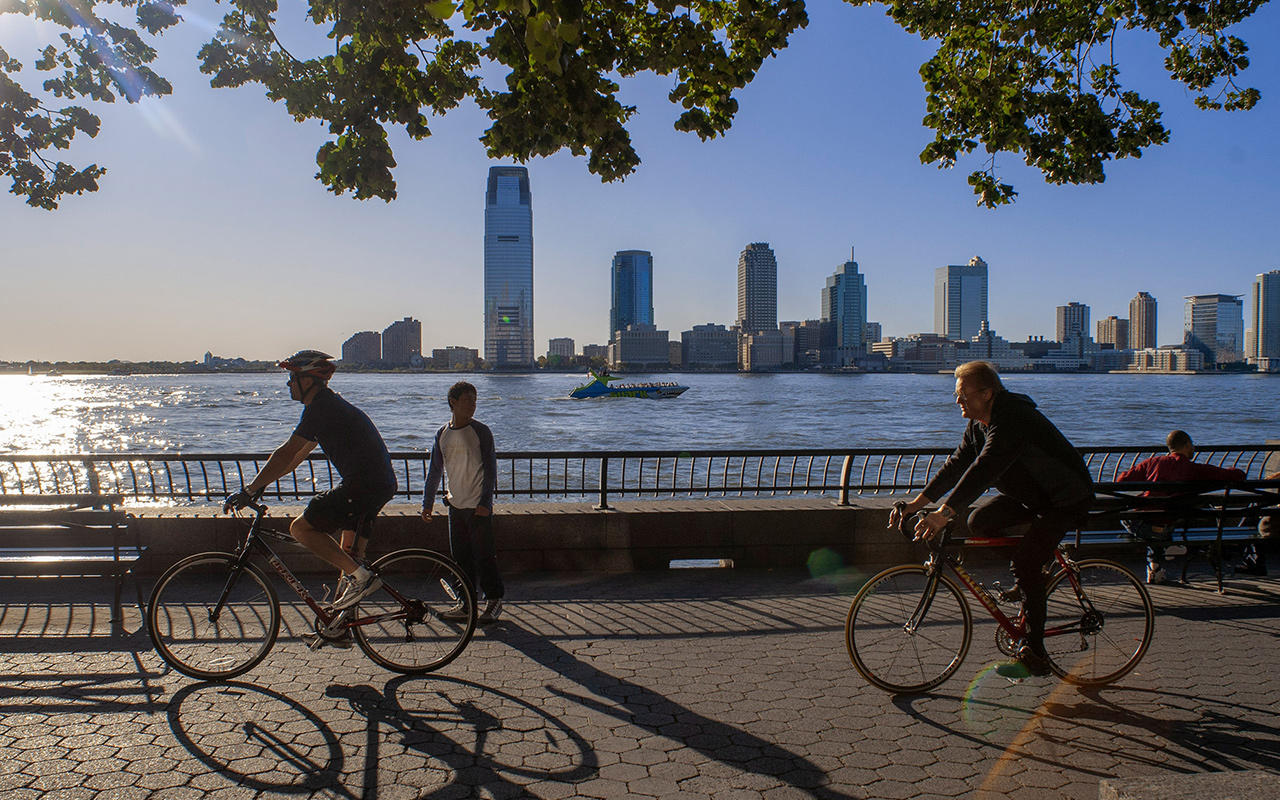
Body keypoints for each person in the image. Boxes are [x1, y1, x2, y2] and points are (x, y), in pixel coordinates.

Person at [889, 361, 1094, 678]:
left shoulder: (1012, 418)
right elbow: (957, 465)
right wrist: (916, 505)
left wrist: (944, 513)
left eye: (962, 394)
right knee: (980, 522)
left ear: (986, 393)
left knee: (1024, 565)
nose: (957, 401)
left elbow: (984, 469)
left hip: (1064, 499)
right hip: (1034, 496)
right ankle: (1034, 570)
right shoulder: (979, 426)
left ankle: (1036, 654)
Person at [225, 350, 398, 616]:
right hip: (378, 484)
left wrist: (248, 490)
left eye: (291, 378)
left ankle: (364, 580)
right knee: (351, 562)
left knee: (301, 529)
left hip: (364, 485)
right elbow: (296, 457)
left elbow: (285, 451)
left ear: (308, 381)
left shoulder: (321, 408)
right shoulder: (329, 407)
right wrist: (261, 485)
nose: (287, 384)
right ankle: (342, 626)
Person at [421, 381, 505, 625]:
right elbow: (435, 471)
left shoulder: (481, 432)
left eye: (475, 400)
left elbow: (490, 470)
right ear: (453, 403)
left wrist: (485, 502)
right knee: (461, 559)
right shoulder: (442, 434)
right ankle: (466, 603)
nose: (473, 405)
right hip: (455, 506)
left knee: (485, 557)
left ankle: (494, 600)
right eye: (467, 399)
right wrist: (428, 503)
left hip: (478, 508)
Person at [1116, 430, 1245, 584]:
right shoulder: (1194, 469)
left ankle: (1157, 565)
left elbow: (1121, 480)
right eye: (1192, 444)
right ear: (1187, 444)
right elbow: (1238, 475)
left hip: (1144, 526)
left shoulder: (1152, 462)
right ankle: (1166, 547)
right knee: (1162, 524)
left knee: (1132, 516)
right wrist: (1231, 469)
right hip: (1168, 525)